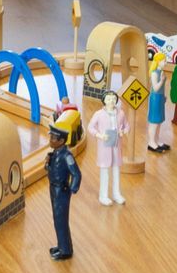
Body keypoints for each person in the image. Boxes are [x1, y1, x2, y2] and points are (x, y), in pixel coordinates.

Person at [47, 111, 82, 261]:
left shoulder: (67, 156)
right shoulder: (54, 153)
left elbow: (76, 174)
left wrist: (71, 188)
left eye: (53, 138)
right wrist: (47, 163)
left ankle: (66, 250)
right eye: (51, 136)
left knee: (61, 220)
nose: (51, 140)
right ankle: (62, 246)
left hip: (61, 189)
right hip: (53, 188)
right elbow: (51, 170)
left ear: (61, 141)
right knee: (57, 219)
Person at [87, 90, 130, 205]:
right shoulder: (99, 114)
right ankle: (103, 195)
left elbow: (127, 126)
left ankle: (116, 194)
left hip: (116, 144)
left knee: (116, 170)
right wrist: (100, 135)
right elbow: (90, 127)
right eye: (108, 99)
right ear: (104, 101)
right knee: (105, 170)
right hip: (104, 145)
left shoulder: (121, 113)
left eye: (113, 99)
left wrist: (123, 132)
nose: (111, 101)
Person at [146, 52, 170, 153]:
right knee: (154, 122)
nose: (165, 62)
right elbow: (155, 88)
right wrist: (162, 80)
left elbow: (161, 88)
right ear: (159, 61)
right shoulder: (154, 73)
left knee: (159, 121)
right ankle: (151, 142)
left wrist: (163, 96)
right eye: (164, 60)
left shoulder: (161, 72)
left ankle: (156, 140)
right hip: (155, 98)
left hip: (160, 98)